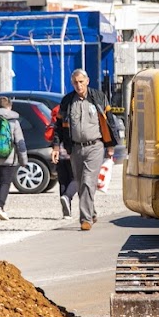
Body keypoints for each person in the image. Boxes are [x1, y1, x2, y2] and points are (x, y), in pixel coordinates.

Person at [51, 68, 116, 231]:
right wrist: (56, 146)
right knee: (80, 183)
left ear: (87, 81)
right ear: (72, 83)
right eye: (75, 82)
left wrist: (111, 145)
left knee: (88, 181)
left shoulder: (98, 97)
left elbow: (110, 122)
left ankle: (85, 219)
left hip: (95, 146)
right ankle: (92, 212)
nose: (79, 85)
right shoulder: (67, 101)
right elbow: (58, 126)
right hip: (75, 148)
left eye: (81, 81)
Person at [49, 103, 77, 218]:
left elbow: (56, 133)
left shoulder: (58, 114)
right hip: (72, 152)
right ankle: (67, 196)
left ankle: (66, 211)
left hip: (60, 152)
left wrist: (55, 148)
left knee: (63, 180)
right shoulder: (74, 114)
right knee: (77, 178)